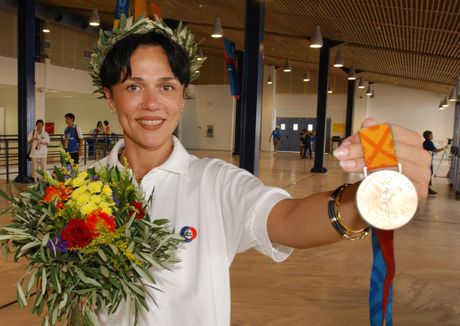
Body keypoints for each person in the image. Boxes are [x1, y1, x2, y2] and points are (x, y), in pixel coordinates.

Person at [90, 16, 431, 325]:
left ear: (182, 97)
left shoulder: (215, 181)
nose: (151, 103)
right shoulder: (78, 188)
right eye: (134, 86)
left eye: (166, 87)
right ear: (110, 96)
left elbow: (287, 219)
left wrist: (370, 198)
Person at [422, 130, 446, 195]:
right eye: (431, 135)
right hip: (427, 161)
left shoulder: (426, 142)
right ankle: (428, 189)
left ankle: (427, 188)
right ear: (427, 136)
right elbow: (435, 150)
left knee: (429, 173)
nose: (432, 136)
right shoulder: (428, 143)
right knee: (429, 173)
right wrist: (444, 148)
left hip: (426, 160)